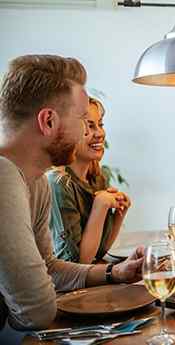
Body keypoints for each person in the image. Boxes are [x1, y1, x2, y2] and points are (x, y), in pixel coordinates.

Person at [0, 55, 143, 334]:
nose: (85, 131)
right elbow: (37, 312)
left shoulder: (36, 181)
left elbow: (49, 268)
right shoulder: (3, 175)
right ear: (49, 121)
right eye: (81, 119)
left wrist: (115, 273)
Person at [47, 97, 131, 264]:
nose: (100, 133)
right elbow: (76, 264)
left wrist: (119, 214)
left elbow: (99, 251)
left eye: (100, 124)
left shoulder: (97, 178)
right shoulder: (58, 183)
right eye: (90, 126)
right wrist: (100, 206)